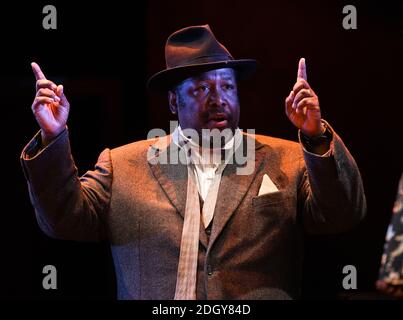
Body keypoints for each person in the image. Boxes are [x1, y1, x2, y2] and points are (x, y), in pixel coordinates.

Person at [20, 25, 366, 300]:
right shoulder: (122, 165)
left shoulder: (287, 158)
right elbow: (62, 221)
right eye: (202, 89)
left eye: (227, 87)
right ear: (173, 101)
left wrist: (316, 135)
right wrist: (54, 136)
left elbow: (341, 215)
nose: (219, 99)